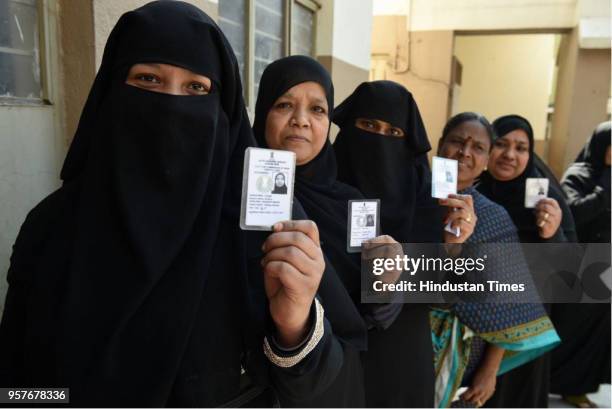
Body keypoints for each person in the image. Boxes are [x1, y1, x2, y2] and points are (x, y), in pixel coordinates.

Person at [0, 2, 356, 406]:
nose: (170, 106)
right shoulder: (52, 227)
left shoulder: (261, 229)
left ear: (223, 109)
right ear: (111, 91)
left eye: (196, 88)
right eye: (148, 79)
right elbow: (16, 384)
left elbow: (311, 384)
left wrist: (295, 321)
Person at [332, 80, 477, 407]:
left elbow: (447, 292)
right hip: (334, 352)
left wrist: (454, 246)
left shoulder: (428, 205)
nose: (379, 139)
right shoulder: (322, 192)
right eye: (368, 125)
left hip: (401, 358)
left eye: (393, 133)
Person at [252, 54, 384, 407]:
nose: (301, 121)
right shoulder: (233, 191)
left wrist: (387, 279)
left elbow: (370, 308)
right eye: (284, 105)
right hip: (258, 380)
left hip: (337, 380)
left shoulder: (351, 203)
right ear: (263, 110)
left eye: (317, 110)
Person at [434, 112, 560, 408]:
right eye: (456, 141)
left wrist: (490, 371)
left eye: (478, 147)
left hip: (463, 357)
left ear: (487, 158)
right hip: (403, 349)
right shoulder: (409, 199)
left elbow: (507, 302)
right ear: (440, 144)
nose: (465, 152)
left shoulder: (493, 217)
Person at [477, 114, 576, 408]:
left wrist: (551, 234)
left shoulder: (546, 203)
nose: (510, 154)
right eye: (501, 144)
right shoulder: (473, 191)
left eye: (521, 148)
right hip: (477, 322)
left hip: (525, 326)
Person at [551, 121, 611, 408]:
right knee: (572, 331)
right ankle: (556, 382)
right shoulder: (579, 175)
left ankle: (577, 387)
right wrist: (608, 178)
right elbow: (573, 213)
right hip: (581, 267)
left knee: (595, 334)